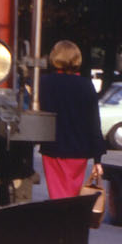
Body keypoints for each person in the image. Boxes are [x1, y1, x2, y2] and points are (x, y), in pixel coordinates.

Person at [40, 40, 104, 200]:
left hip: (52, 148)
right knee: (72, 195)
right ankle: (71, 222)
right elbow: (94, 122)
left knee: (57, 196)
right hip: (79, 152)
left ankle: (61, 222)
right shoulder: (86, 85)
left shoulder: (44, 82)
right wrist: (98, 159)